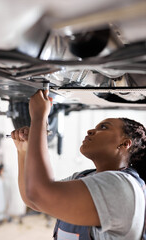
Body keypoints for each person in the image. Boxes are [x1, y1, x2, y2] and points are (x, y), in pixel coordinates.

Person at [11, 90, 146, 240]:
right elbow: (34, 200)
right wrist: (23, 151)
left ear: (125, 143)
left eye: (103, 128)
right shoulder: (86, 177)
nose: (90, 131)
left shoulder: (121, 186)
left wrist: (39, 118)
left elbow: (40, 193)